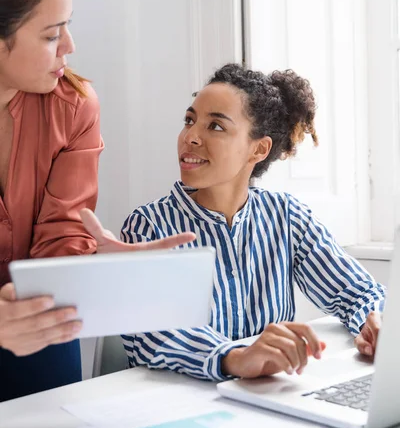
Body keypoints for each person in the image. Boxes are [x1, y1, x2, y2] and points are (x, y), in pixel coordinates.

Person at [0, 0, 194, 401]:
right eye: (50, 34)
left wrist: (92, 267)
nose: (69, 46)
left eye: (67, 25)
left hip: (39, 329)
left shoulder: (74, 104)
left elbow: (62, 233)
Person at [109, 63, 384, 382]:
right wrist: (235, 358)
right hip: (175, 406)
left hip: (265, 398)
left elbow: (357, 291)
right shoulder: (149, 226)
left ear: (259, 149)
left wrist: (374, 321)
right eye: (189, 120)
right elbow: (150, 335)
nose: (190, 137)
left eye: (215, 126)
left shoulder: (287, 217)